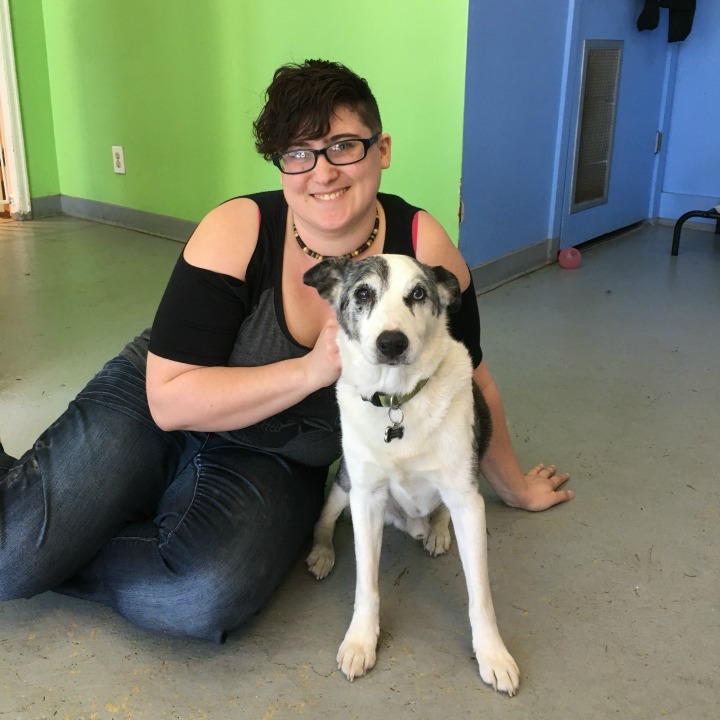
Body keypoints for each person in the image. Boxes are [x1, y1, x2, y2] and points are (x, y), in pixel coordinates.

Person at [0, 59, 573, 642]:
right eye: (298, 153)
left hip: (275, 456)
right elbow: (169, 401)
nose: (321, 172)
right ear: (281, 165)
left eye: (344, 146)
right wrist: (310, 371)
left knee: (199, 596)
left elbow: (470, 376)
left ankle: (89, 525)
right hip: (157, 404)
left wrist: (513, 485)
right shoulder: (238, 229)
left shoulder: (424, 253)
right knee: (10, 558)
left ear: (382, 150)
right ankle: (84, 513)